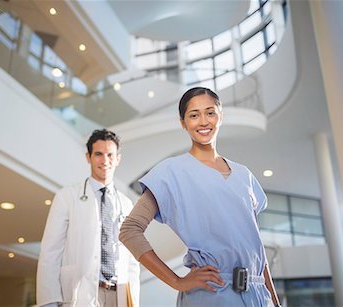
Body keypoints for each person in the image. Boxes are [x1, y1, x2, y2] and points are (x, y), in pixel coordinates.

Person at [119, 87, 281, 306]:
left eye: (210, 112)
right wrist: (177, 281)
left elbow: (255, 248)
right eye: (194, 115)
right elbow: (130, 231)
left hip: (257, 295)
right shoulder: (171, 172)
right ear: (183, 123)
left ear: (220, 116)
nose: (203, 121)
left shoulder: (245, 176)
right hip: (212, 294)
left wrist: (274, 299)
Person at [37, 129, 140, 307]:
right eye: (98, 154)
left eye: (110, 155)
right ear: (88, 157)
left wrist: (133, 302)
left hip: (120, 295)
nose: (105, 161)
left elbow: (132, 261)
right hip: (81, 293)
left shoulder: (126, 204)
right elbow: (50, 252)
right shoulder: (67, 196)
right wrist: (49, 301)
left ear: (118, 158)